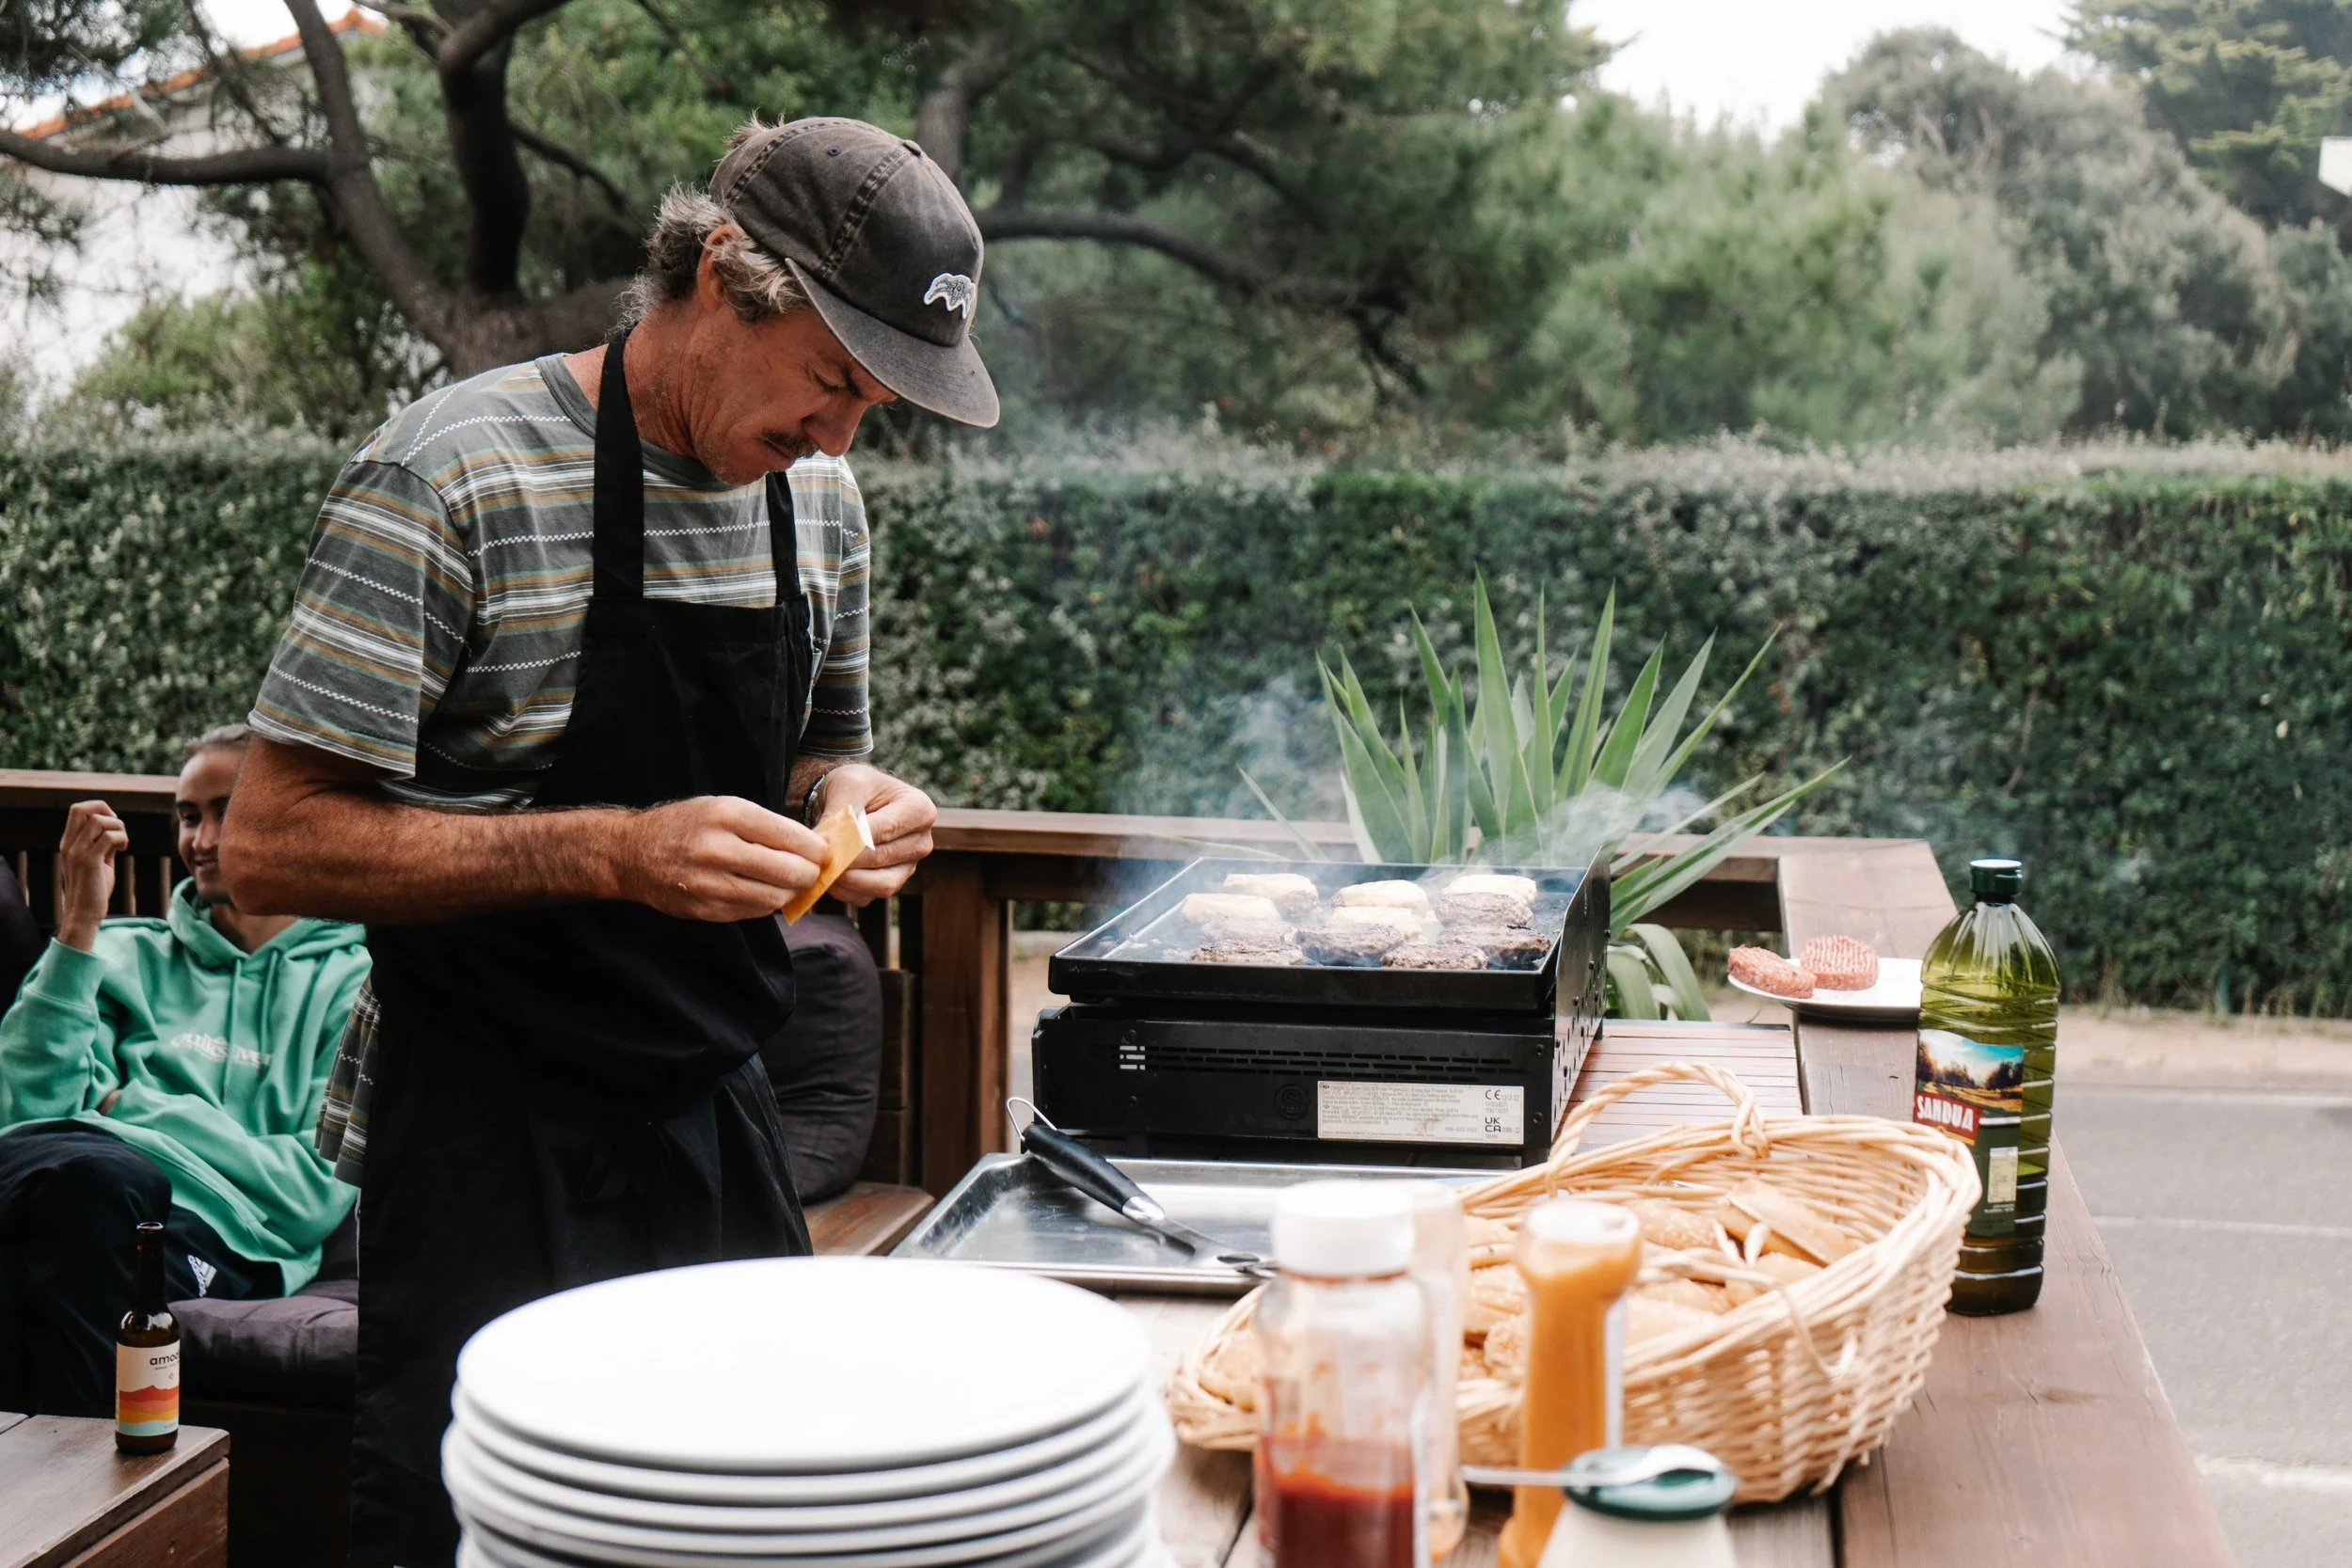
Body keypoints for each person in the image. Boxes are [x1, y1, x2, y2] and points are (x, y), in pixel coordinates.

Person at [219, 116, 993, 1566]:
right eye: (832, 379)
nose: (838, 435)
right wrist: (612, 852)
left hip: (719, 1110)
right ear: (717, 274)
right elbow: (271, 846)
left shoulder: (817, 497)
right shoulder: (452, 471)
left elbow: (818, 743)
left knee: (762, 1531)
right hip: (485, 1138)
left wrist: (854, 795)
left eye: (876, 402)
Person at [0, 725, 368, 1417]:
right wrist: (78, 923)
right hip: (75, 1182)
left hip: (229, 1239)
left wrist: (133, 1110)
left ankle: (80, 1502)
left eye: (226, 811)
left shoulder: (352, 986)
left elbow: (314, 1190)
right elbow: (22, 1112)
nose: (200, 840)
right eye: (189, 815)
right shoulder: (115, 952)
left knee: (91, 1192)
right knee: (80, 1194)